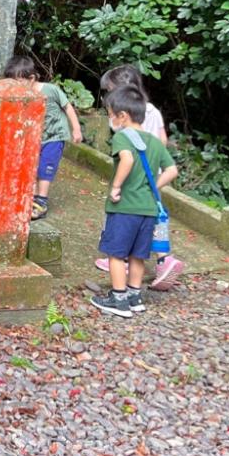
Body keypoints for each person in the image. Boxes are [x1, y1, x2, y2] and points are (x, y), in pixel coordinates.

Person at [95, 65, 186, 289]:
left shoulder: (123, 121)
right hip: (153, 171)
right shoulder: (152, 110)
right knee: (152, 221)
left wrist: (117, 184)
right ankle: (163, 259)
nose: (109, 96)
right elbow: (162, 140)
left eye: (110, 90)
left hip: (131, 179)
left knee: (121, 223)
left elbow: (127, 158)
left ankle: (118, 261)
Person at [91, 86, 176, 318]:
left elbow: (126, 160)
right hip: (147, 209)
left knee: (116, 254)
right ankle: (134, 296)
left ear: (123, 116)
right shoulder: (155, 142)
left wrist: (116, 186)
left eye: (110, 115)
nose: (110, 120)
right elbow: (172, 170)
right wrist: (154, 186)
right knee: (138, 255)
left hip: (125, 207)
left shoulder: (122, 137)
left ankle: (118, 299)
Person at [2, 53, 81, 221]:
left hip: (54, 136)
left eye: (18, 82)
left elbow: (67, 107)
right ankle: (28, 197)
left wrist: (76, 129)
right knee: (31, 165)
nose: (15, 86)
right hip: (35, 137)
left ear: (31, 78)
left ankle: (41, 202)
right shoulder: (20, 96)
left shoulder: (50, 90)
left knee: (46, 167)